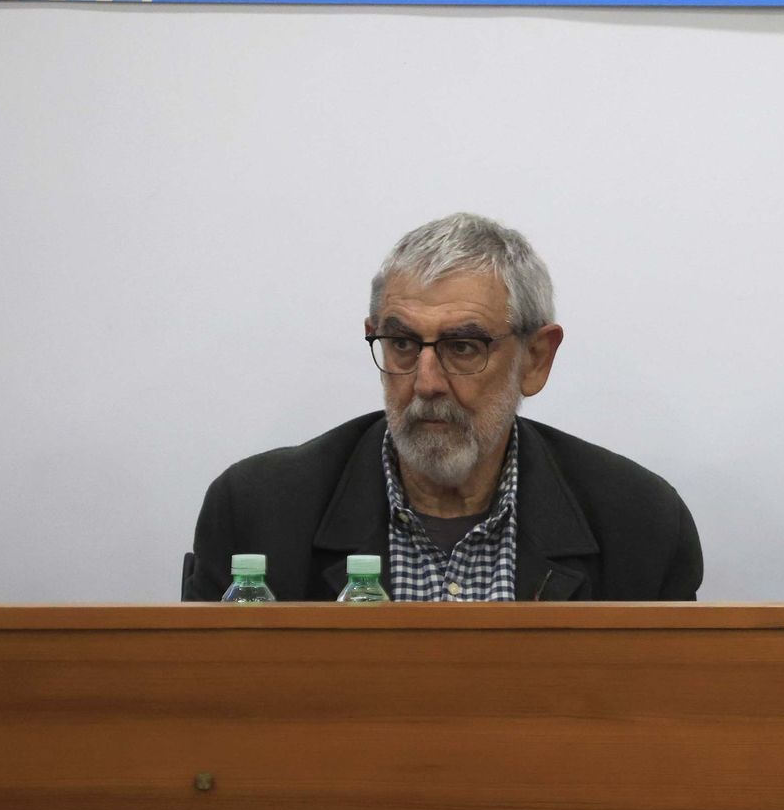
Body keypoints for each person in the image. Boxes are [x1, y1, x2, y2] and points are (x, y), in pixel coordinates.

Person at [184, 213, 702, 602]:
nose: (426, 383)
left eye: (463, 348)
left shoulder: (640, 523)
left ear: (535, 359)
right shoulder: (258, 513)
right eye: (403, 344)